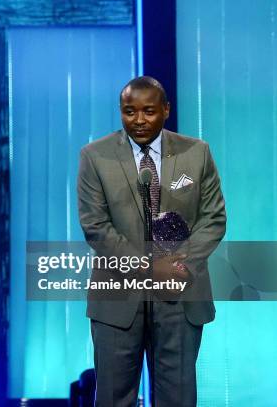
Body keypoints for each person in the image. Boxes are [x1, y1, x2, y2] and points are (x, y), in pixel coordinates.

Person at [77, 76, 226, 406]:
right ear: (121, 112)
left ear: (166, 110)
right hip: (117, 296)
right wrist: (149, 268)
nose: (139, 120)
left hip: (180, 294)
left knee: (178, 399)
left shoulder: (196, 153)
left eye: (148, 111)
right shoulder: (95, 156)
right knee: (114, 398)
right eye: (130, 112)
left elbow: (212, 219)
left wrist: (176, 265)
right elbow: (96, 227)